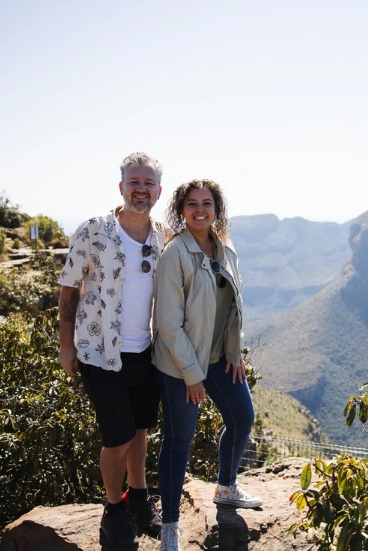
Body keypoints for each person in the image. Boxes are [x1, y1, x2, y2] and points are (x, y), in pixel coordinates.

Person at [58, 152, 166, 551]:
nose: (141, 189)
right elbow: (69, 288)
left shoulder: (163, 235)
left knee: (140, 431)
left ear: (158, 190)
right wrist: (65, 345)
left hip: (147, 353)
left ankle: (138, 499)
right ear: (121, 187)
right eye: (134, 182)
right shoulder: (94, 230)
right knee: (117, 438)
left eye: (149, 183)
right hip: (100, 353)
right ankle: (113, 512)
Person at [153, 179, 262, 551]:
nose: (201, 210)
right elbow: (167, 324)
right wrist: (192, 375)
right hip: (180, 365)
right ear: (181, 210)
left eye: (208, 203)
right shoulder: (175, 254)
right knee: (179, 441)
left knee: (242, 417)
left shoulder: (225, 247)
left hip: (218, 358)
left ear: (217, 209)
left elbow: (234, 306)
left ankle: (226, 487)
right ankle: (169, 525)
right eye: (192, 204)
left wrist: (235, 353)